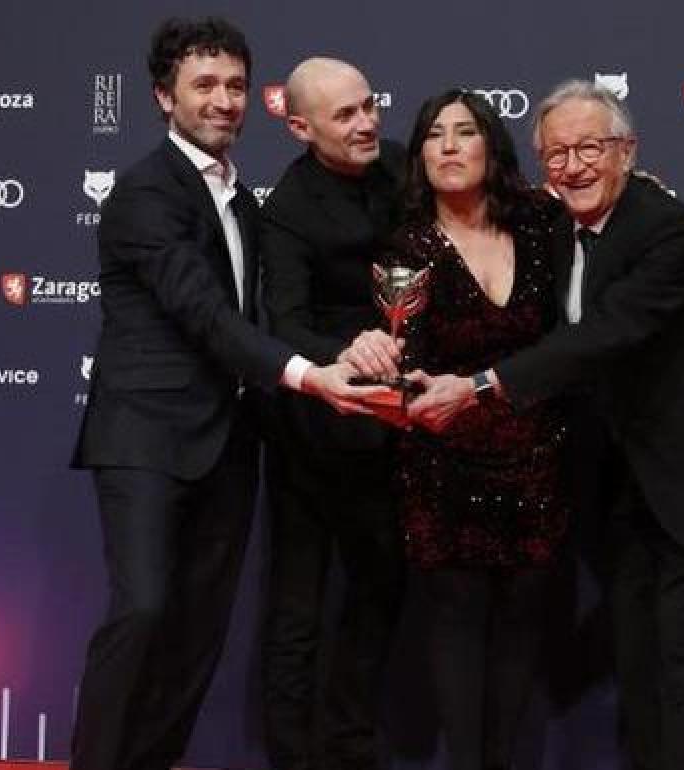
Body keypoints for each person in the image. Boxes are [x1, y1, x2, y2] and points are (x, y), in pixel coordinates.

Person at [405, 81, 684, 770]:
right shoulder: (556, 224)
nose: (573, 165)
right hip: (630, 482)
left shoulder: (660, 226)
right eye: (557, 153)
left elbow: (606, 334)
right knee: (638, 662)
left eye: (591, 148)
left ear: (628, 152)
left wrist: (484, 386)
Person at [68, 19, 375, 770]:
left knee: (198, 633)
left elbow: (260, 321)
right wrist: (309, 376)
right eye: (204, 85)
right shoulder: (143, 194)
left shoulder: (243, 202)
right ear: (163, 97)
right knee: (141, 612)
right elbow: (204, 316)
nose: (224, 100)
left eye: (236, 85)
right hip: (145, 439)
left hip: (229, 444)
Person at [386, 89, 568, 770]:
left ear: (493, 147)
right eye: (435, 134)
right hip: (444, 472)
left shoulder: (539, 228)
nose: (450, 146)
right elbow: (401, 358)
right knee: (457, 632)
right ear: (420, 155)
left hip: (537, 466)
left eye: (466, 132)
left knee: (522, 632)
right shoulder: (407, 248)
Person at [259, 57, 407, 770]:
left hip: (395, 433)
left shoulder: (401, 168)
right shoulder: (286, 208)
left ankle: (350, 751)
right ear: (300, 127)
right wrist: (349, 353)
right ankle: (290, 757)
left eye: (369, 104)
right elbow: (280, 320)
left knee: (379, 596)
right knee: (298, 611)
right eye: (345, 115)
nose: (367, 122)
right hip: (313, 442)